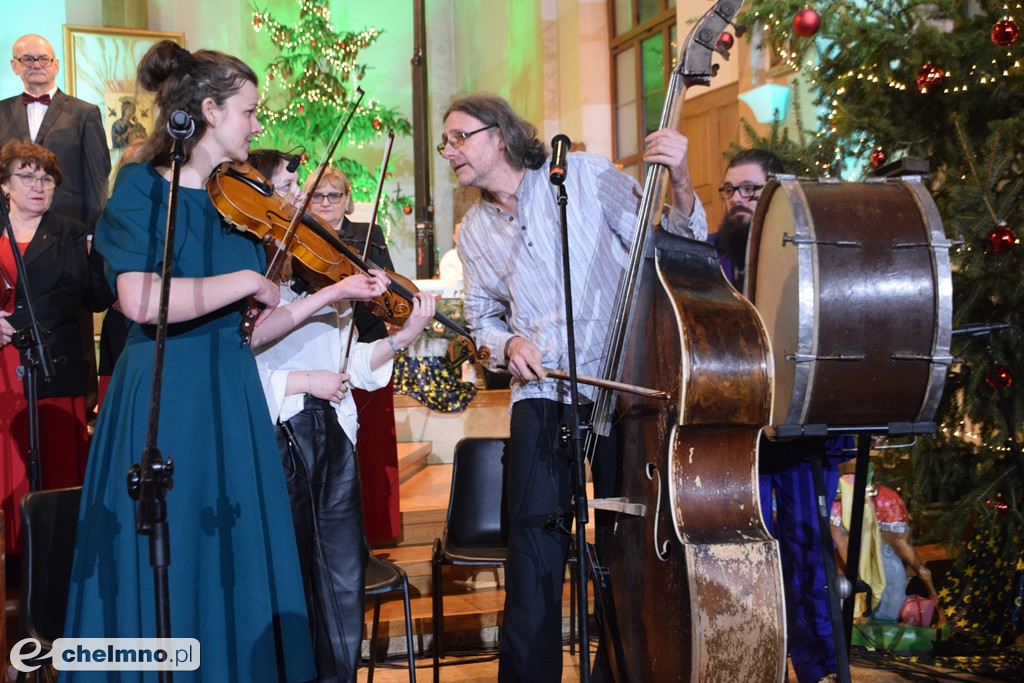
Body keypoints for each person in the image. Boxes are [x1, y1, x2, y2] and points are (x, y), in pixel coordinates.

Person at [62, 41, 322, 681]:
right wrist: (247, 283)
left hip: (228, 393)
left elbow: (247, 336)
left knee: (226, 554)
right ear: (208, 109)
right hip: (164, 391)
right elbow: (140, 299)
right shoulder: (143, 187)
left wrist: (330, 295)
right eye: (249, 112)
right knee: (164, 554)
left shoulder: (242, 202)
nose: (258, 126)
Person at [443, 92, 707, 681]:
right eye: (445, 142)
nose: (448, 151)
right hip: (542, 395)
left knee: (625, 547)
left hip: (625, 385)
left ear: (500, 135)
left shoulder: (581, 176)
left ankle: (621, 670)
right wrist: (507, 345)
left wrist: (682, 182)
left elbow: (671, 243)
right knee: (534, 553)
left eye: (459, 137)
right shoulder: (474, 231)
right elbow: (482, 320)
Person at [252, 154, 435, 680]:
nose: (304, 205)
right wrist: (304, 382)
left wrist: (403, 336)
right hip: (282, 435)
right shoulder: (262, 277)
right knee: (294, 578)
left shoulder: (327, 278)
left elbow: (351, 365)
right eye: (291, 192)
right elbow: (241, 367)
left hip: (332, 437)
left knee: (339, 579)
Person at [711, 149, 844, 683]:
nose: (737, 201)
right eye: (729, 191)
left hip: (797, 427)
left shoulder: (806, 256)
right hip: (734, 433)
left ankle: (818, 669)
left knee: (806, 553)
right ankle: (752, 664)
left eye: (749, 190)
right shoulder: (714, 260)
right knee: (742, 560)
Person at [0, 141, 97, 564]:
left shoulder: (70, 232)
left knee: (53, 466)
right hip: (1, 366)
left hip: (50, 362)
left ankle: (54, 567)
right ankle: (14, 566)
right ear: (5, 184)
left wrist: (15, 327)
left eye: (47, 178)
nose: (39, 185)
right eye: (27, 175)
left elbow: (71, 291)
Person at [303, 166, 404, 543]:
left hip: (366, 348)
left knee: (370, 449)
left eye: (334, 195)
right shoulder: (301, 236)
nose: (327, 203)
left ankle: (373, 532)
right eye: (318, 196)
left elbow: (388, 292)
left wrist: (378, 288)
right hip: (320, 352)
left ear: (347, 198)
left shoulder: (367, 235)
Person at [1, 34, 111, 227]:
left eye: (44, 58)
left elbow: (97, 179)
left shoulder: (85, 113)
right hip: (7, 226)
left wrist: (93, 232)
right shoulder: (1, 111)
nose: (36, 65)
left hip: (67, 224)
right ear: (14, 65)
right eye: (27, 58)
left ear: (56, 65)